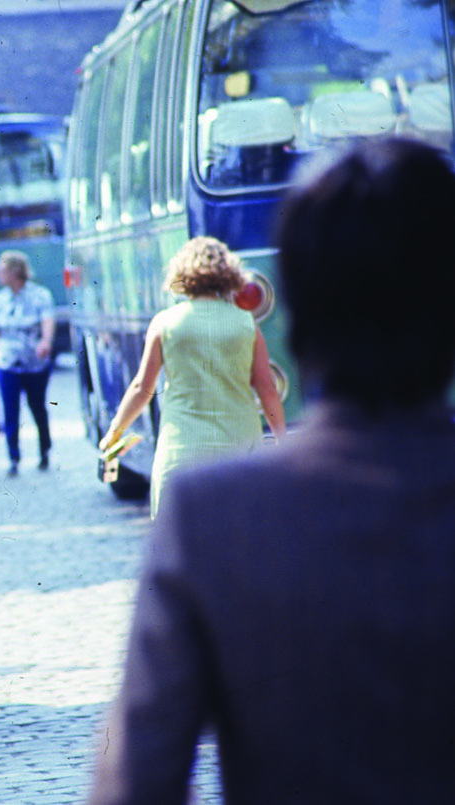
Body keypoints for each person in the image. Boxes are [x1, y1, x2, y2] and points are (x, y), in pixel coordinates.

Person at [89, 138, 455, 802]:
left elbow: (137, 780)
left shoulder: (211, 518)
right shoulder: (242, 331)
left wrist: (113, 438)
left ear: (303, 315)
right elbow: (266, 392)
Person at [97, 236, 286, 516]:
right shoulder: (246, 323)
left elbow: (142, 388)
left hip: (181, 453)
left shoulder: (165, 323)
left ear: (182, 273)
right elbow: (266, 388)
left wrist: (114, 434)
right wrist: (281, 440)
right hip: (240, 453)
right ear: (228, 274)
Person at [0, 250, 56, 476]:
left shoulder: (40, 294)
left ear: (15, 271)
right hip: (7, 361)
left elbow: (48, 320)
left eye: (1, 270)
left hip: (34, 361)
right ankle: (13, 456)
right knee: (10, 409)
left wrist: (46, 341)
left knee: (37, 406)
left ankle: (45, 450)